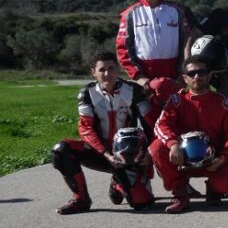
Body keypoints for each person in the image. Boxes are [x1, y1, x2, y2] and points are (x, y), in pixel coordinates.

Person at [52, 52, 157, 214]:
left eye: (111, 68)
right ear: (93, 72)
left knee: (143, 203)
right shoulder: (87, 93)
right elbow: (85, 128)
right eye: (102, 70)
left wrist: (147, 155)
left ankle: (118, 181)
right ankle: (81, 199)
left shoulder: (134, 90)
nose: (107, 73)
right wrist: (107, 154)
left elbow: (151, 124)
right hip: (100, 152)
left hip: (128, 154)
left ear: (118, 69)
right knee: (61, 150)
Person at [149, 55, 228, 213]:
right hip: (182, 159)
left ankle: (214, 190)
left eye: (202, 72)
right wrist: (173, 145)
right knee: (156, 148)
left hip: (213, 160)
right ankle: (180, 192)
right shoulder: (176, 100)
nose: (197, 76)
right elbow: (161, 125)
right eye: (192, 73)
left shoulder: (224, 102)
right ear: (185, 78)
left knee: (224, 183)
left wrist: (223, 158)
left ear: (209, 75)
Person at [116, 0, 195, 86]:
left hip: (174, 75)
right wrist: (138, 76)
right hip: (145, 77)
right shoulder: (129, 15)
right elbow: (122, 49)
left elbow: (186, 43)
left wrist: (182, 73)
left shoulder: (177, 12)